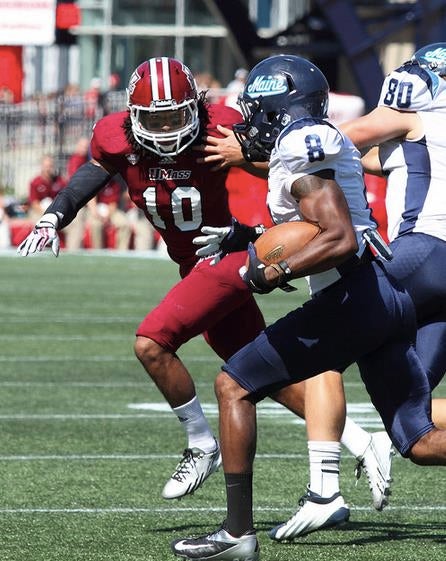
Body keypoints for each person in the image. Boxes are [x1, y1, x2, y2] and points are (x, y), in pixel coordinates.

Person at [171, 54, 446, 561]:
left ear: (277, 108)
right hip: (381, 295)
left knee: (234, 384)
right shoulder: (309, 143)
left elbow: (337, 237)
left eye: (256, 111)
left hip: (355, 294)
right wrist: (248, 237)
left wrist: (269, 272)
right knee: (418, 439)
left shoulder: (301, 145)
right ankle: (317, 491)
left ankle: (239, 535)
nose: (249, 122)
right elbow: (326, 223)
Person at [17, 56, 307, 502]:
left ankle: (200, 442)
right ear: (134, 117)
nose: (169, 128)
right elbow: (93, 173)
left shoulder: (221, 127)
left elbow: (288, 170)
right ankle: (358, 442)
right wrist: (55, 216)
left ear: (196, 106)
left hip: (223, 251)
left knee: (151, 342)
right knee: (257, 369)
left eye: (177, 115)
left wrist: (249, 161)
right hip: (192, 264)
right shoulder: (115, 137)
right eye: (157, 118)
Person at [27, 155, 66, 224]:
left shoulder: (60, 181)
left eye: (50, 166)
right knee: (37, 219)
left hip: (57, 210)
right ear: (41, 166)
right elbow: (34, 203)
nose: (48, 169)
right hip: (40, 211)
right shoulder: (35, 182)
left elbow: (65, 197)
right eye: (46, 166)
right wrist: (47, 212)